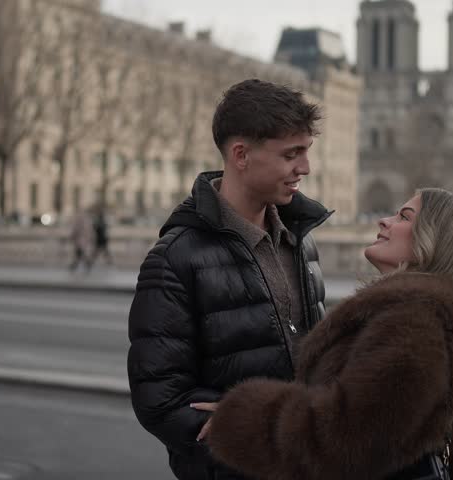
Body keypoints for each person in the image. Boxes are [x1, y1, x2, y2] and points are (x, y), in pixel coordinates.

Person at [192, 188, 453, 480]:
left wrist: (243, 418)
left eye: (404, 217)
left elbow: (341, 441)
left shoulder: (414, 324)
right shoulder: (429, 320)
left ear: (435, 242)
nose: (385, 220)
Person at [127, 79, 331, 480]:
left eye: (306, 153)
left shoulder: (301, 242)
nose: (305, 168)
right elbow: (159, 398)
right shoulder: (175, 258)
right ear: (241, 155)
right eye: (292, 154)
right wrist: (244, 434)